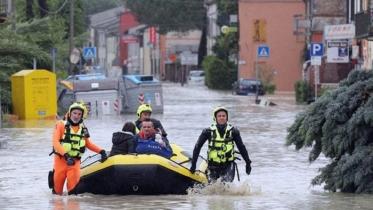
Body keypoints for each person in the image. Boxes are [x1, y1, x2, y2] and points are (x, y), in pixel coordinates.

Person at [49, 101, 108, 195]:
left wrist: (101, 151)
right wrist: (66, 155)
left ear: (82, 116)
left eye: (79, 114)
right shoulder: (60, 124)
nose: (76, 116)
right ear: (70, 113)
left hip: (74, 163)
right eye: (74, 113)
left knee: (73, 195)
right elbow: (55, 142)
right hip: (60, 162)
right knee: (57, 194)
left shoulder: (83, 127)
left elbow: (88, 144)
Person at [190, 106, 252, 182]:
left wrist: (248, 163)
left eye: (224, 116)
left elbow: (241, 148)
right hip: (213, 165)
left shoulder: (234, 132)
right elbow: (197, 147)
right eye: (219, 116)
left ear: (227, 117)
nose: (222, 118)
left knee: (226, 185)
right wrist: (193, 165)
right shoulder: (207, 131)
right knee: (213, 188)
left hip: (228, 165)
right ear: (215, 118)